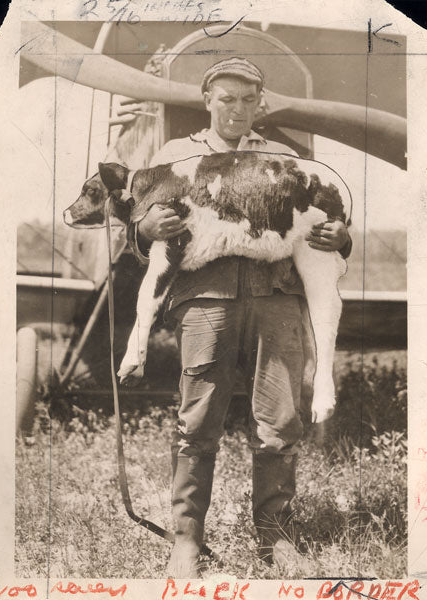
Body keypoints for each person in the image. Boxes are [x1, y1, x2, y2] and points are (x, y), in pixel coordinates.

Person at [128, 57, 351, 577]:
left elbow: (321, 221)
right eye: (226, 99)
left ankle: (274, 537)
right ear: (208, 101)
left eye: (249, 100)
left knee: (279, 421)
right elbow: (141, 236)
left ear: (261, 104)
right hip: (204, 300)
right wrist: (147, 228)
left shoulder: (283, 157)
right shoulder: (175, 155)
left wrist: (341, 237)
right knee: (198, 420)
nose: (237, 110)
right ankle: (186, 539)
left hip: (276, 296)